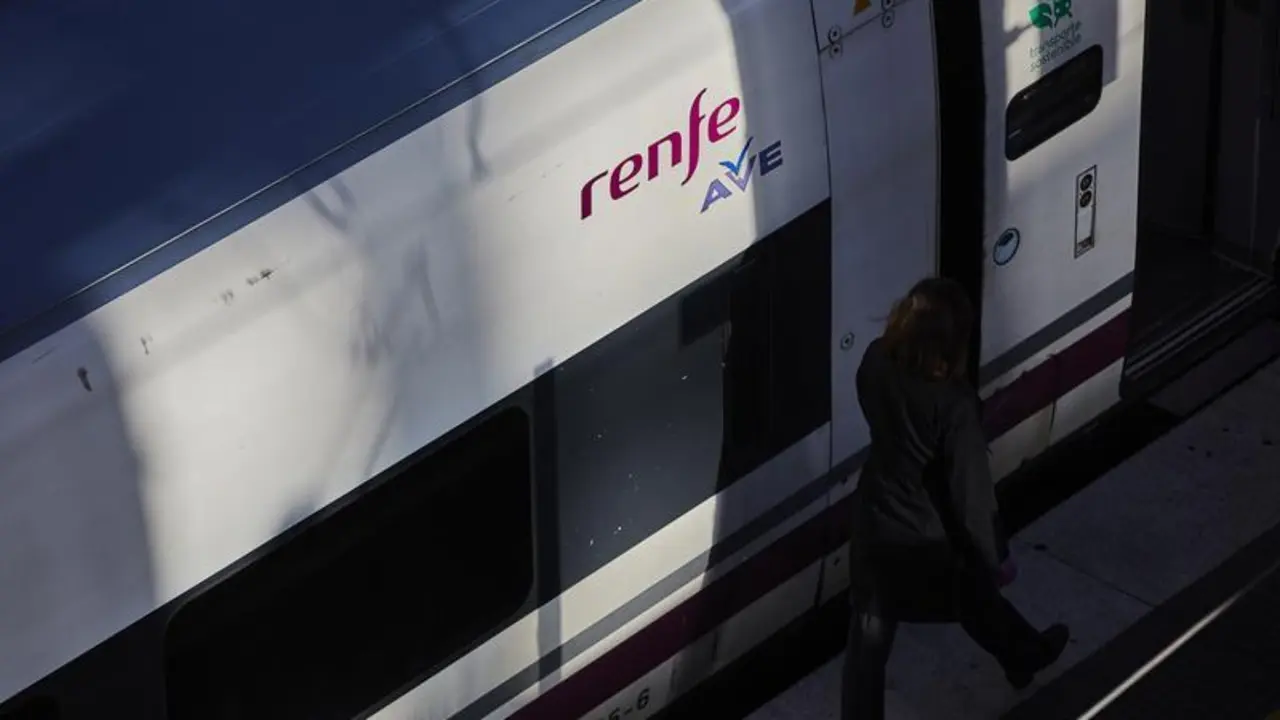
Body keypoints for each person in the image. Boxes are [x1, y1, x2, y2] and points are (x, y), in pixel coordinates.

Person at [841, 277, 1069, 719]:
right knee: (974, 600)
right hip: (930, 536)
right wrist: (993, 555)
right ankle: (1025, 656)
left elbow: (873, 412)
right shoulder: (955, 406)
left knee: (868, 638)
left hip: (877, 519)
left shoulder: (875, 361)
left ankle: (1025, 656)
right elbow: (971, 494)